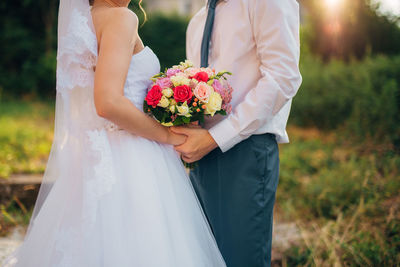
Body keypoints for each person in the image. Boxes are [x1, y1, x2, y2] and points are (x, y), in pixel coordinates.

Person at [2, 0, 226, 266]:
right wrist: (168, 136)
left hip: (91, 160)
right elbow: (108, 102)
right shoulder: (121, 18)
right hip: (131, 159)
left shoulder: (84, 22)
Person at [172, 0, 302, 266]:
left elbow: (283, 77)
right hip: (200, 159)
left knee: (241, 259)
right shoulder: (196, 22)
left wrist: (215, 138)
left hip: (246, 151)